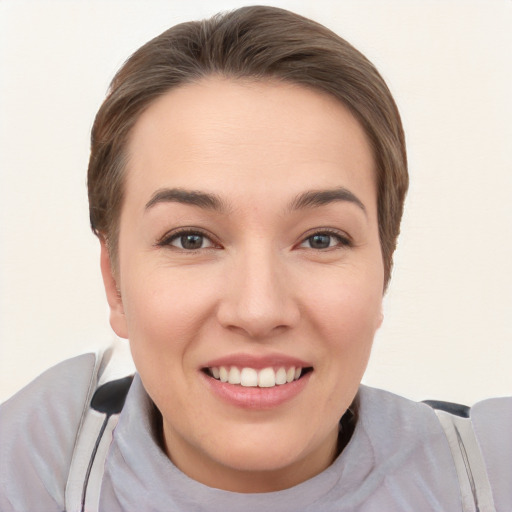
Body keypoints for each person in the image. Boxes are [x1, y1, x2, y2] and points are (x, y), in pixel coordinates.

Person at [0, 5, 510, 512]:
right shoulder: (23, 474)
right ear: (114, 280)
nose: (258, 311)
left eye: (321, 239)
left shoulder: (495, 475)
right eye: (191, 240)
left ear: (384, 268)